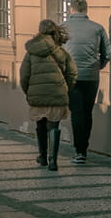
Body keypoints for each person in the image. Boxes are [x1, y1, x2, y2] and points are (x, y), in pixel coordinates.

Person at [20, 18, 77, 172]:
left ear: (39, 31)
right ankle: (53, 161)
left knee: (40, 126)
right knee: (54, 126)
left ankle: (43, 156)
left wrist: (28, 91)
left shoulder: (31, 52)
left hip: (37, 95)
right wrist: (66, 88)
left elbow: (24, 75)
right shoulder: (60, 51)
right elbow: (72, 72)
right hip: (57, 94)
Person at [62, 0, 110, 162]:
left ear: (71, 9)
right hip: (91, 75)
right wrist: (98, 66)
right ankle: (84, 149)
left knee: (76, 113)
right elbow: (107, 53)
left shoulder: (63, 28)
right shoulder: (98, 28)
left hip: (71, 75)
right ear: (86, 10)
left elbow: (55, 52)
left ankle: (79, 151)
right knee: (87, 112)